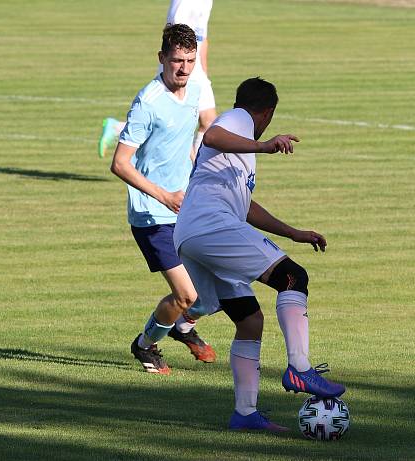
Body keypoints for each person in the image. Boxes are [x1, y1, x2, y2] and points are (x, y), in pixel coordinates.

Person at [173, 77, 345, 432]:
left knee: (249, 321)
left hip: (191, 234)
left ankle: (245, 414)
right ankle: (299, 368)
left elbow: (246, 207)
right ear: (266, 113)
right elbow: (212, 136)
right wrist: (265, 146)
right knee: (293, 277)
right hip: (210, 226)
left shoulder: (240, 153)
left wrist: (293, 232)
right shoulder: (239, 120)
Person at [110, 23, 215, 375]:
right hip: (152, 213)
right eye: (176, 61)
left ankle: (182, 327)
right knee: (187, 295)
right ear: (161, 59)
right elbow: (120, 163)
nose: (183, 68)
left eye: (190, 60)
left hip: (184, 206)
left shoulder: (197, 89)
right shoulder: (148, 103)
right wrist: (164, 195)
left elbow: (189, 142)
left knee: (218, 286)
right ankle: (145, 345)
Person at [99, 0, 216, 159]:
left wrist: (203, 72)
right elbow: (173, 35)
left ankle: (117, 128)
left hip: (195, 67)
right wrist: (186, 67)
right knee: (200, 120)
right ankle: (196, 172)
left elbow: (203, 38)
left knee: (203, 121)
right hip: (180, 64)